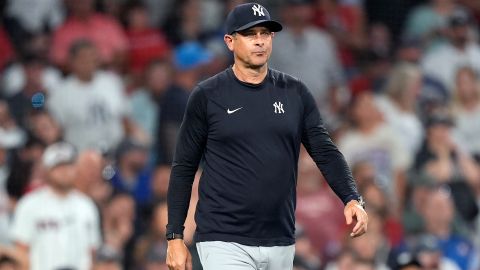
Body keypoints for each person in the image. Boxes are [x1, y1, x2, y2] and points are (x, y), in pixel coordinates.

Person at [165, 3, 368, 270]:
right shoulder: (208, 95)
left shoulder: (295, 93)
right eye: (250, 34)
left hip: (281, 238)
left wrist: (351, 197)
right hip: (224, 238)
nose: (259, 41)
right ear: (230, 41)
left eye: (265, 33)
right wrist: (175, 237)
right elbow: (184, 168)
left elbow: (325, 151)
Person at [10, 142, 101, 270]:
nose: (64, 171)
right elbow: (20, 252)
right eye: (58, 166)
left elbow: (92, 252)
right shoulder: (29, 204)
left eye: (68, 165)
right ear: (47, 171)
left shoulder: (87, 205)